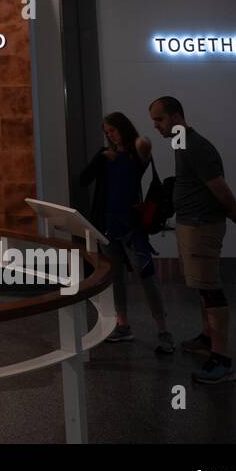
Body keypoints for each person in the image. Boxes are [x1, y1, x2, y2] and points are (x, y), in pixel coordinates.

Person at [148, 96, 236, 384]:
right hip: (191, 224)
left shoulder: (193, 145)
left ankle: (222, 360)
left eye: (160, 120)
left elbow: (220, 189)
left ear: (176, 116)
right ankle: (207, 338)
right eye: (154, 121)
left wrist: (235, 212)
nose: (156, 127)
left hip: (202, 226)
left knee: (210, 290)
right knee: (202, 287)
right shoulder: (181, 143)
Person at [78, 112, 171, 353]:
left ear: (123, 128)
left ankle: (163, 328)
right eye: (107, 132)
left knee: (146, 274)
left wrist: (124, 149)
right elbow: (82, 180)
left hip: (131, 224)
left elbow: (144, 145)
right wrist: (102, 159)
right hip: (107, 225)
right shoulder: (105, 155)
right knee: (115, 275)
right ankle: (123, 324)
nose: (110, 136)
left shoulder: (136, 151)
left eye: (113, 130)